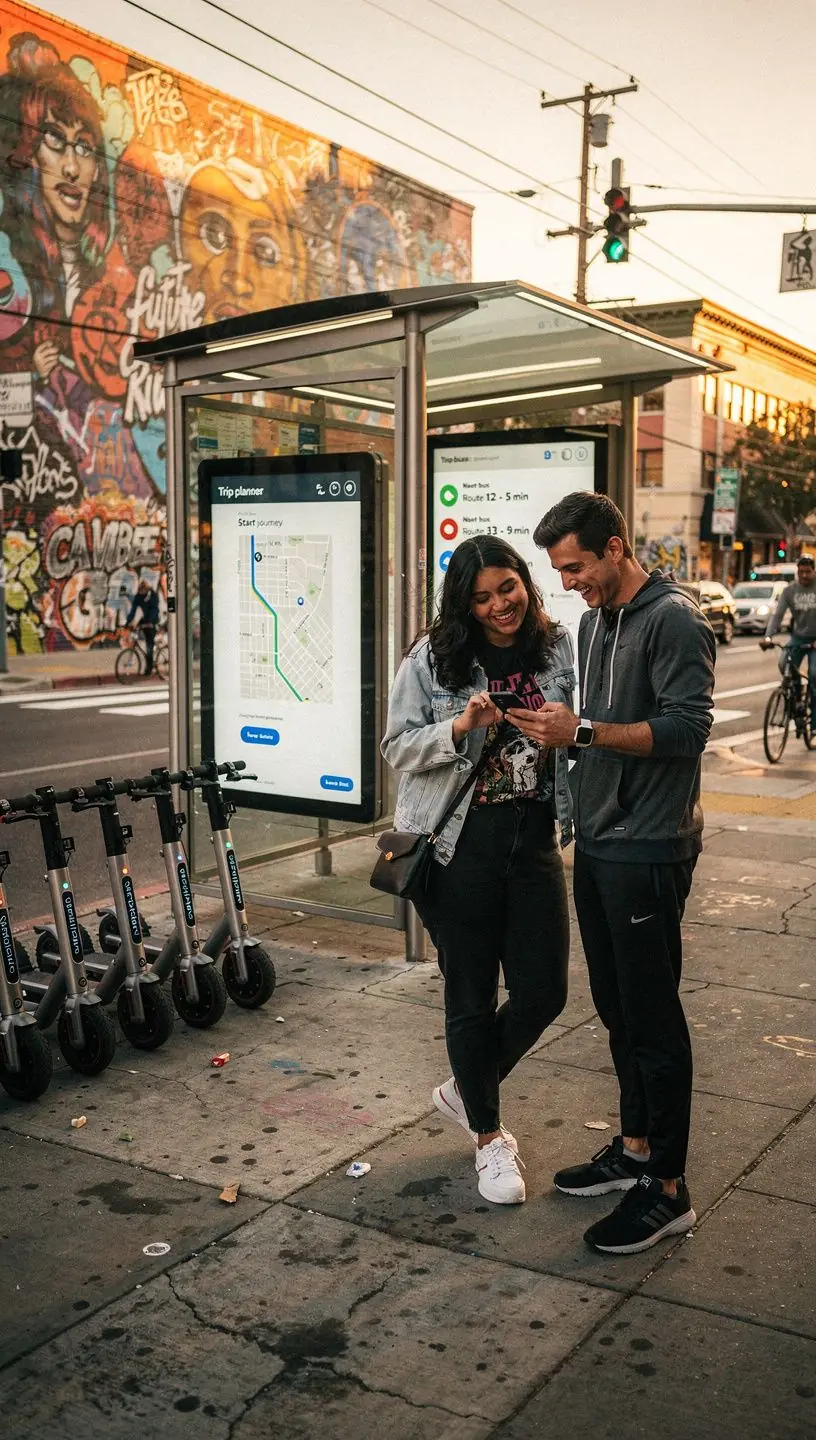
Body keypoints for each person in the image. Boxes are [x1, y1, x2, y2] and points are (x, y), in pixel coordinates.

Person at [510, 492, 715, 1254]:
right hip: (599, 842)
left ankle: (668, 1188)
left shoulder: (674, 621)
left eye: (576, 568)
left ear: (616, 548)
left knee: (652, 1017)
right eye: (560, 571)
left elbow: (687, 730)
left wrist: (584, 731)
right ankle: (634, 1148)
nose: (568, 584)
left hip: (650, 844)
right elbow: (587, 728)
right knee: (617, 1007)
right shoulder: (595, 624)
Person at [381, 536, 575, 1206]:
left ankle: (465, 1091)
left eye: (507, 588)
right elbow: (396, 746)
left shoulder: (557, 648)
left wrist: (571, 729)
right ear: (464, 604)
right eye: (482, 597)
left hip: (534, 840)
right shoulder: (433, 658)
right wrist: (458, 727)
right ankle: (489, 1139)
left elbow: (578, 732)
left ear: (525, 581)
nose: (499, 606)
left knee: (545, 992)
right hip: (457, 848)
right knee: (470, 995)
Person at [760, 554, 816, 711]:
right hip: (799, 637)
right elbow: (778, 615)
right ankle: (797, 696)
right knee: (784, 664)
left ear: (814, 571)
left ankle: (813, 714)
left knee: (814, 673)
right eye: (800, 572)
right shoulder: (789, 591)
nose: (804, 575)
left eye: (807, 572)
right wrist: (768, 636)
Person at [125, 579, 160, 676]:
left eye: (142, 590)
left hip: (153, 620)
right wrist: (128, 622)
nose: (140, 592)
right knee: (140, 638)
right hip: (145, 620)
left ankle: (149, 668)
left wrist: (150, 622)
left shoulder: (152, 595)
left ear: (146, 589)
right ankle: (148, 660)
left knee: (149, 646)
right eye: (139, 591)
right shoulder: (138, 596)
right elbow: (133, 610)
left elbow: (154, 610)